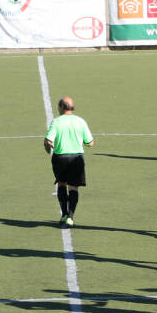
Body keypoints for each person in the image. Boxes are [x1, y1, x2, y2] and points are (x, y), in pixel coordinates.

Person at [44, 96, 94, 227]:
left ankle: (64, 214)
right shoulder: (80, 121)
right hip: (76, 157)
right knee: (73, 187)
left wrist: (48, 149)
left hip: (60, 157)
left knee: (61, 184)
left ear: (61, 107)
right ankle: (71, 217)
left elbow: (48, 140)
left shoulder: (56, 122)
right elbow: (90, 143)